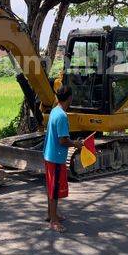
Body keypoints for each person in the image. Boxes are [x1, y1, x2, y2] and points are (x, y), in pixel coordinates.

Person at [43, 85, 83, 233]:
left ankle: (51, 214)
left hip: (49, 155)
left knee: (51, 187)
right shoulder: (61, 116)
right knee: (54, 190)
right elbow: (63, 140)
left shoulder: (55, 110)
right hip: (56, 157)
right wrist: (76, 144)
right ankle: (53, 221)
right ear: (70, 98)